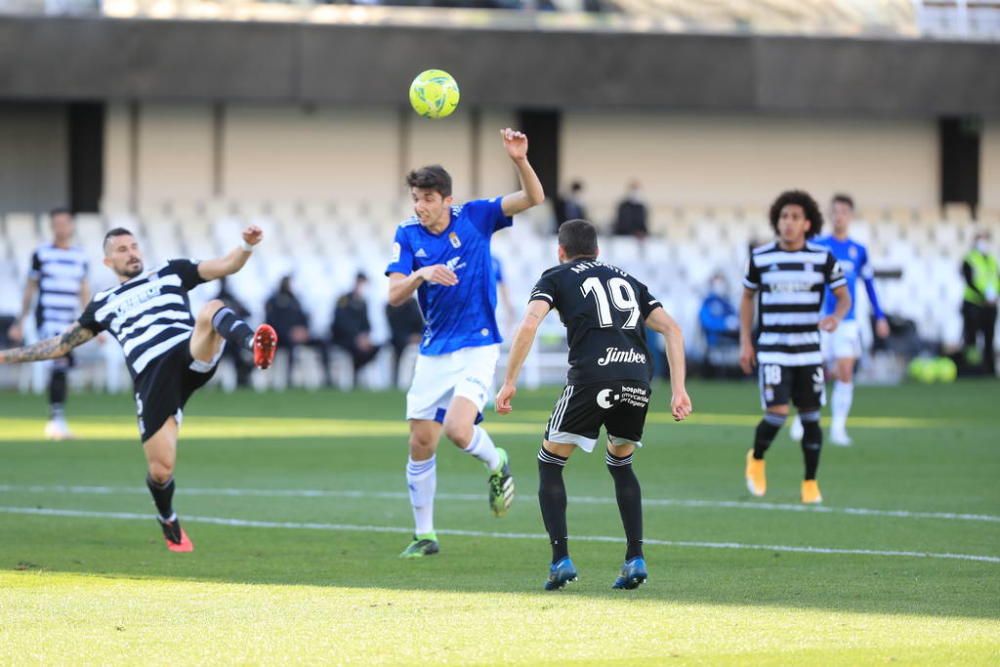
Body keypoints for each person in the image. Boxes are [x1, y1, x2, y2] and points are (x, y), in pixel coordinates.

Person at [0, 226, 277, 552]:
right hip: (152, 378)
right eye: (121, 249)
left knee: (212, 308)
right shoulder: (103, 303)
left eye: (134, 246)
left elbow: (228, 264)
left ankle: (253, 344)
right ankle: (168, 518)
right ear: (107, 261)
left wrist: (246, 244)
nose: (131, 252)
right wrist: (6, 356)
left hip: (188, 351)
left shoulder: (171, 272)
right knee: (161, 470)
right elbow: (62, 345)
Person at [496, 219, 691, 590]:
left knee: (549, 463)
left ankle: (560, 561)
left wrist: (509, 382)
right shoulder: (628, 279)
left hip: (592, 378)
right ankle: (635, 559)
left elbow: (528, 324)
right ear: (598, 251)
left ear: (561, 250)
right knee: (621, 463)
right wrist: (679, 390)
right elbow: (673, 330)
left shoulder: (556, 275)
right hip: (636, 379)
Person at [386, 127, 545, 559]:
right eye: (416, 199)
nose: (420, 207)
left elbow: (534, 198)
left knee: (458, 429)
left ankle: (497, 463)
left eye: (428, 199)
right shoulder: (407, 235)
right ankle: (426, 535)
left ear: (447, 200)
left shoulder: (476, 217)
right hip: (434, 349)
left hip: (478, 344)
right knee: (421, 441)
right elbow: (394, 295)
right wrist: (420, 274)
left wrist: (519, 161)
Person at [739, 190, 850, 505]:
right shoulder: (761, 258)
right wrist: (746, 341)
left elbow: (844, 297)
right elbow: (747, 299)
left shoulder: (822, 259)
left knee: (811, 417)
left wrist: (836, 317)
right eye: (783, 216)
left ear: (807, 223)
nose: (788, 223)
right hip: (773, 348)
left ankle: (810, 483)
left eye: (795, 217)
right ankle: (757, 457)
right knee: (776, 413)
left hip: (809, 350)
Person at [788, 194, 890, 445]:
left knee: (845, 370)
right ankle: (804, 419)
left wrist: (880, 316)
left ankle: (838, 428)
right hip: (821, 318)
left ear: (850, 216)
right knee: (816, 371)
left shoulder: (859, 251)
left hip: (848, 320)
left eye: (843, 211)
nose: (839, 216)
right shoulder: (819, 246)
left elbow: (869, 285)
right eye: (835, 211)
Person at [7, 208, 90, 440]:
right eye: (57, 224)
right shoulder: (41, 254)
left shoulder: (80, 256)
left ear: (71, 226)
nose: (61, 228)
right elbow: (30, 289)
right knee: (59, 362)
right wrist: (20, 321)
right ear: (52, 227)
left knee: (62, 368)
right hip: (48, 318)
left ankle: (57, 419)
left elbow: (84, 291)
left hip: (70, 321)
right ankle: (55, 422)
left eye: (65, 223)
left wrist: (93, 322)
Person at [265, 276, 328, 387]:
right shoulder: (273, 301)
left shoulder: (295, 301)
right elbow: (271, 322)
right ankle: (288, 378)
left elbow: (303, 319)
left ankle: (326, 377)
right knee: (290, 347)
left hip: (298, 336)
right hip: (282, 337)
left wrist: (304, 331)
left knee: (323, 343)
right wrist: (289, 332)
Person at [331, 272, 380, 385]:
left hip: (359, 341)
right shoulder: (344, 300)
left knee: (376, 348)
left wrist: (365, 337)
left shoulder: (363, 303)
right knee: (356, 350)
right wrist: (356, 337)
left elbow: (366, 324)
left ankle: (357, 372)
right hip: (344, 339)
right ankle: (352, 375)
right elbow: (340, 322)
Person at [961, 230, 998, 376]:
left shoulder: (992, 260)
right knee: (971, 338)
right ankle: (972, 368)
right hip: (973, 305)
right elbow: (969, 281)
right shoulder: (969, 259)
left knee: (989, 338)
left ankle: (990, 369)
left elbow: (997, 280)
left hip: (991, 306)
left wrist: (994, 297)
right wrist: (984, 297)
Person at [214, 277, 255, 388]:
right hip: (223, 340)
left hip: (233, 340)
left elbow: (247, 313)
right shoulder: (217, 301)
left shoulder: (227, 300)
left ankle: (241, 380)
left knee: (240, 357)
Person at [385, 297, 424, 387]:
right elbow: (394, 330)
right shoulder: (391, 306)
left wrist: (417, 337)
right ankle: (403, 384)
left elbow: (420, 325)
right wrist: (408, 339)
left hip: (414, 343)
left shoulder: (413, 305)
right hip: (397, 343)